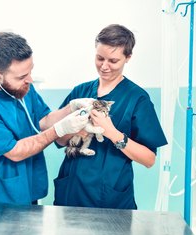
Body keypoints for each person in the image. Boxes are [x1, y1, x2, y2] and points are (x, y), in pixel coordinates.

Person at [0, 32, 89, 205]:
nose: (30, 79)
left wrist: (70, 108)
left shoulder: (21, 86)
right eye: (21, 76)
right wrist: (59, 130)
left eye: (30, 71)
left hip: (29, 186)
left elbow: (43, 120)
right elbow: (15, 152)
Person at [53, 24, 168, 209]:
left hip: (109, 198)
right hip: (71, 192)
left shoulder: (137, 98)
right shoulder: (80, 91)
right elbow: (58, 141)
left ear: (128, 58)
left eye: (113, 61)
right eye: (100, 58)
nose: (104, 66)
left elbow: (149, 159)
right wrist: (73, 129)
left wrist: (112, 133)